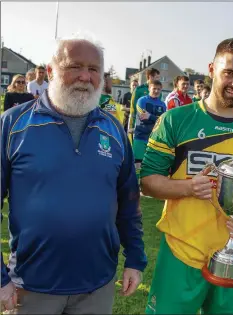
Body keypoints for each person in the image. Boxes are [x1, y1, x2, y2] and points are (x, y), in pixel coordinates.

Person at [0, 35, 147, 314]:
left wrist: (135, 260)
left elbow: (129, 203)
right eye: (74, 66)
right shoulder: (13, 125)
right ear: (51, 71)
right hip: (31, 288)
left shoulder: (114, 130)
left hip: (97, 286)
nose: (85, 76)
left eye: (93, 69)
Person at [140, 37, 233, 314]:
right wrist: (188, 189)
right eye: (229, 73)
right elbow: (148, 182)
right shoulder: (175, 120)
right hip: (182, 252)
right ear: (212, 69)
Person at [133, 80, 166, 182]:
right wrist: (155, 118)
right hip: (140, 136)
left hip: (154, 138)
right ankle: (135, 185)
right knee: (137, 163)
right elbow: (143, 117)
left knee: (149, 164)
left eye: (158, 89)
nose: (156, 91)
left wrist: (151, 116)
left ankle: (145, 186)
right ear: (149, 89)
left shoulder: (162, 104)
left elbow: (162, 121)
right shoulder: (141, 101)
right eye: (154, 88)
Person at [127, 68, 161, 140]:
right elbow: (133, 109)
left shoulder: (158, 92)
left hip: (152, 128)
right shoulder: (139, 90)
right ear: (150, 77)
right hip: (139, 127)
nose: (158, 80)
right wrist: (131, 126)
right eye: (157, 77)